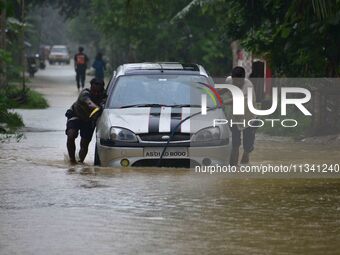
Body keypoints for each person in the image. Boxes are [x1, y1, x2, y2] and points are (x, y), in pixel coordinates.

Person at [65, 78, 106, 164]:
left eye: (98, 92)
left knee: (84, 143)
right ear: (91, 88)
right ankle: (72, 161)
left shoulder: (104, 96)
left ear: (102, 90)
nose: (96, 94)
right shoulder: (84, 93)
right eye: (94, 91)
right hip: (75, 115)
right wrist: (97, 108)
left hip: (89, 120)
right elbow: (89, 103)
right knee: (71, 135)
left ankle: (80, 162)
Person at [222, 66, 257, 166]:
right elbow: (225, 89)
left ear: (243, 79)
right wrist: (214, 93)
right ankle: (234, 167)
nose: (236, 84)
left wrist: (221, 102)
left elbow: (235, 100)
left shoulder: (248, 87)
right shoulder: (229, 80)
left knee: (247, 145)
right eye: (234, 81)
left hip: (248, 116)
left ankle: (245, 158)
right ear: (232, 78)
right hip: (235, 116)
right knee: (235, 143)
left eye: (239, 82)